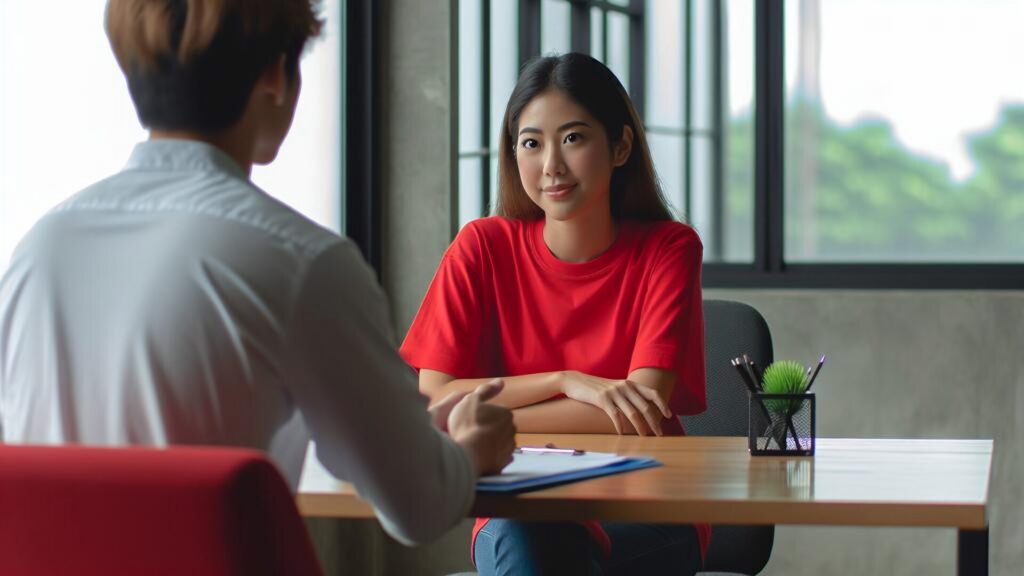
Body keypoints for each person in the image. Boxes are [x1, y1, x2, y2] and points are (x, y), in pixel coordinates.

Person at [0, 0, 515, 547]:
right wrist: (468, 452)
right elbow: (418, 504)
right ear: (275, 75)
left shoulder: (39, 250)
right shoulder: (301, 262)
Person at [400, 53, 709, 574]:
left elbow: (642, 411)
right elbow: (435, 396)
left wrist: (487, 424)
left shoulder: (669, 248)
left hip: (644, 501)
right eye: (531, 143)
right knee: (539, 542)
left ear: (620, 146)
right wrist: (568, 381)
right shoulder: (481, 246)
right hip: (518, 505)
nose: (551, 167)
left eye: (573, 138)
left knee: (554, 557)